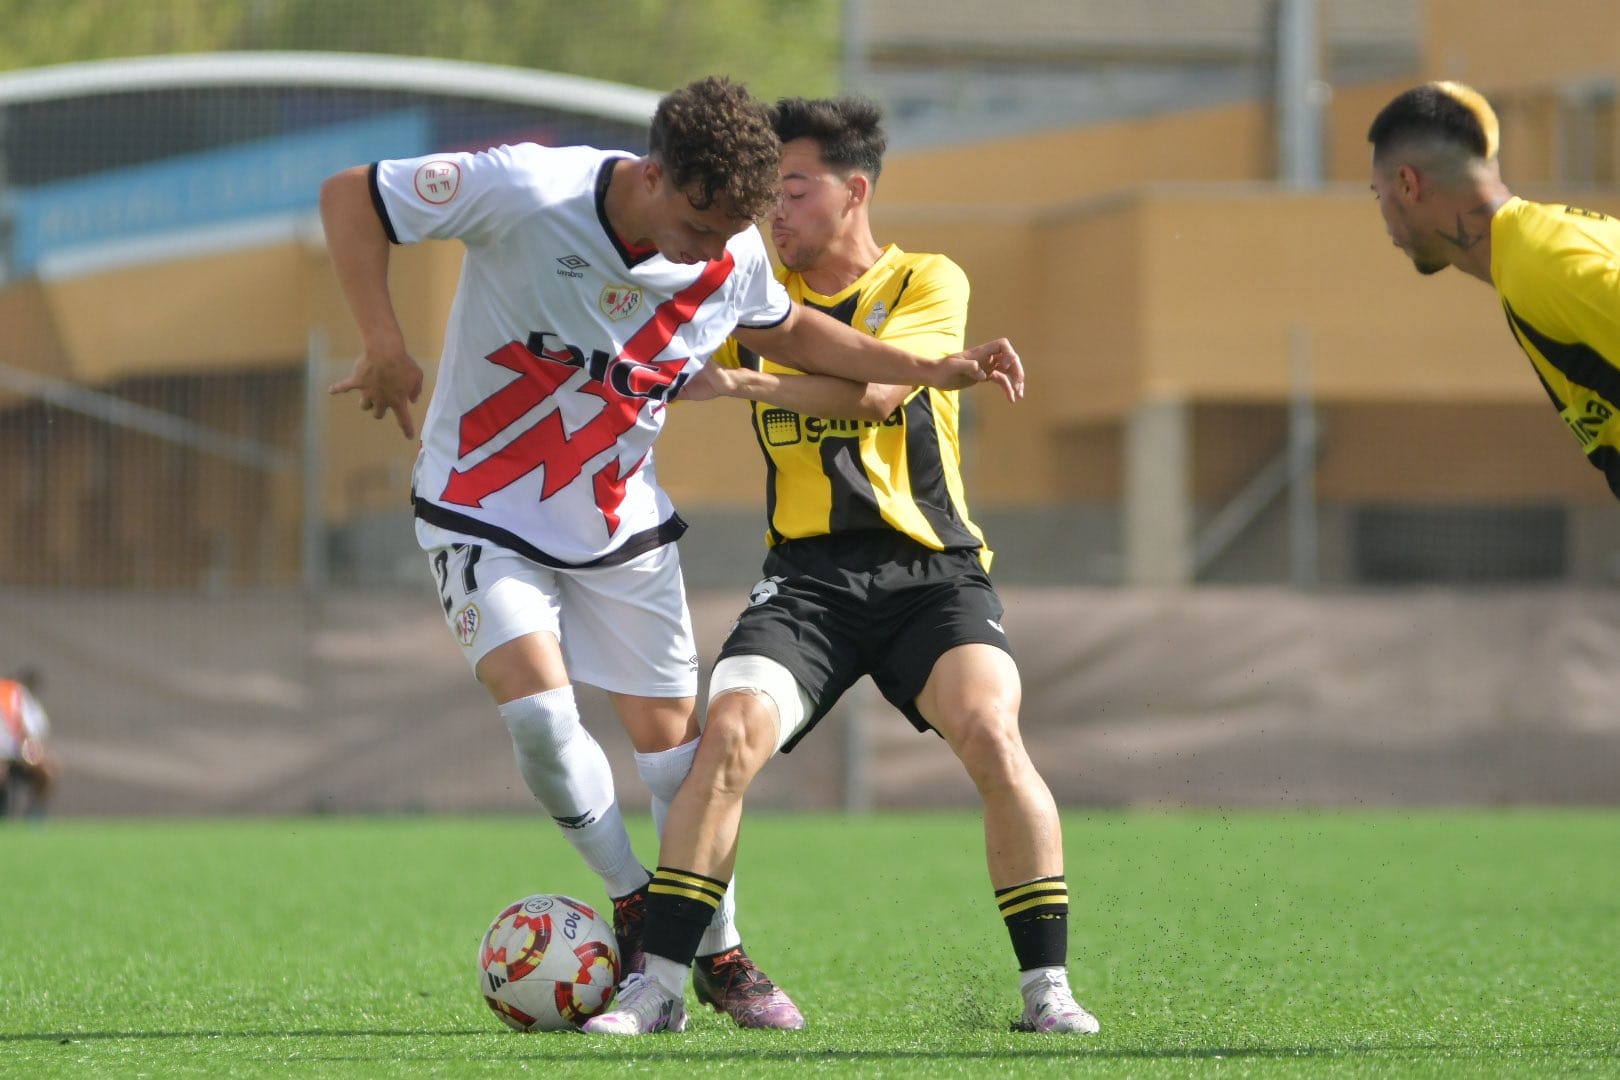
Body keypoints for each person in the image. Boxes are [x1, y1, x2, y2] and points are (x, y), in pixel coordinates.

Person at [318, 76, 1024, 1031]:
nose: (709, 250)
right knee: (540, 714)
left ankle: (719, 955)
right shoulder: (529, 188)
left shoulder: (729, 247)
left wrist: (927, 367)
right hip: (480, 505)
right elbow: (351, 195)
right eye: (698, 224)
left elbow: (793, 330)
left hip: (620, 523)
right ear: (653, 174)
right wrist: (382, 340)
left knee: (676, 764)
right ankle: (634, 903)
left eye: (731, 229)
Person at [585, 95, 1095, 1037]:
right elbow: (646, 335)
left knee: (992, 729)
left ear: (854, 191)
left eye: (792, 189)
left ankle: (1047, 991)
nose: (771, 211)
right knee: (727, 736)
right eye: (765, 195)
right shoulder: (748, 287)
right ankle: (657, 987)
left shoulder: (927, 278)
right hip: (807, 581)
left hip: (931, 574)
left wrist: (742, 380)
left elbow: (883, 390)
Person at [1368, 80, 1620, 498]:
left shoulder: (1539, 264)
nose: (1383, 218)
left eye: (1378, 193)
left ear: (1408, 184)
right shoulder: (1536, 246)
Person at [0, 667, 57, 821]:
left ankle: (34, 814)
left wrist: (32, 752)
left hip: (19, 755)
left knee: (47, 770)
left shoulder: (19, 697)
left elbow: (35, 731)